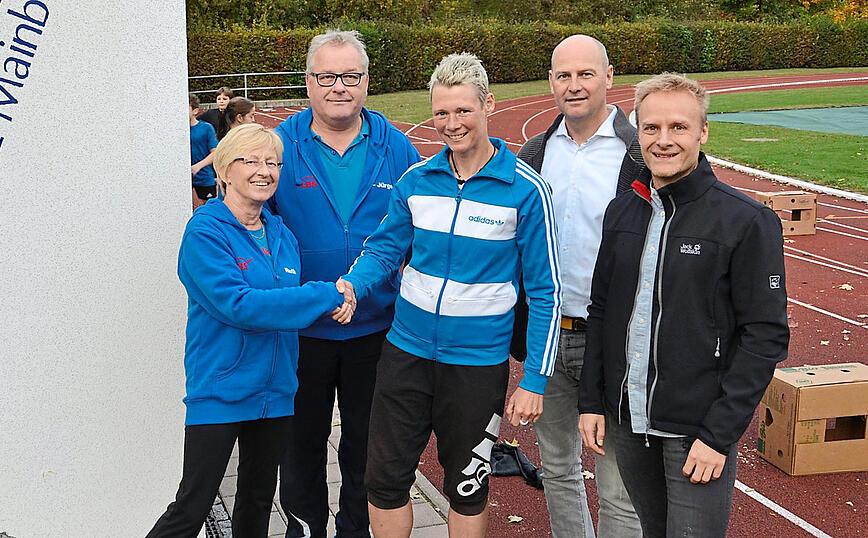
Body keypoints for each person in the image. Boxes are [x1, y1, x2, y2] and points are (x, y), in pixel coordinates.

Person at [337, 52, 562, 537]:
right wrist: (353, 284)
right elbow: (383, 250)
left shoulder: (526, 190)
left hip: (477, 367)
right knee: (383, 482)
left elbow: (546, 292)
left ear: (488, 106)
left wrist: (536, 380)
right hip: (405, 354)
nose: (451, 123)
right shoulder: (416, 181)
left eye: (463, 111)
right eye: (442, 113)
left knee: (466, 487)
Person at [577, 73, 790, 538]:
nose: (663, 140)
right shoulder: (622, 212)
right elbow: (602, 310)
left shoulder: (747, 221)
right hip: (629, 423)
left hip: (696, 430)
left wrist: (718, 435)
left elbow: (766, 336)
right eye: (651, 128)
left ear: (702, 133)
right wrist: (592, 400)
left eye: (678, 127)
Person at [146, 123, 354, 538]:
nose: (265, 170)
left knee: (257, 502)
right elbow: (239, 305)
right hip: (221, 391)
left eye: (273, 162)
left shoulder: (280, 233)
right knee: (192, 506)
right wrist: (327, 295)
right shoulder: (205, 232)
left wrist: (340, 298)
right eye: (251, 160)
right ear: (224, 170)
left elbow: (288, 305)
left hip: (275, 393)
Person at [271, 30, 421, 538]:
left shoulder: (396, 146)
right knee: (301, 443)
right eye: (327, 76)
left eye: (350, 76)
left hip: (375, 329)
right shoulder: (280, 146)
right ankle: (304, 530)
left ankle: (355, 529)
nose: (339, 86)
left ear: (366, 82)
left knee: (367, 443)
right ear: (308, 82)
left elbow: (419, 230)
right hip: (302, 331)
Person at [515, 34, 643, 538]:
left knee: (617, 487)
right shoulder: (535, 152)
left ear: (609, 77)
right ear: (550, 82)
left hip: (612, 342)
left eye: (585, 73)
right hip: (547, 338)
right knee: (559, 471)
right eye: (563, 75)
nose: (574, 85)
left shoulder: (638, 153)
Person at [189, 92, 218, 209]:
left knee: (209, 208)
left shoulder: (206, 128)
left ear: (195, 111)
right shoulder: (176, 130)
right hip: (183, 177)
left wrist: (197, 167)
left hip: (204, 176)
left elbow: (215, 152)